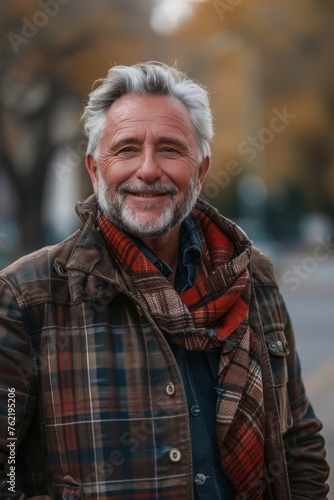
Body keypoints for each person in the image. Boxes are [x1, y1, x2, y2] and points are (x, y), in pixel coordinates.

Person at [0, 62, 329, 500]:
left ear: (201, 170)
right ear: (96, 169)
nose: (149, 169)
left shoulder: (254, 277)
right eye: (128, 149)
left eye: (171, 149)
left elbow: (298, 447)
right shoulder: (26, 295)